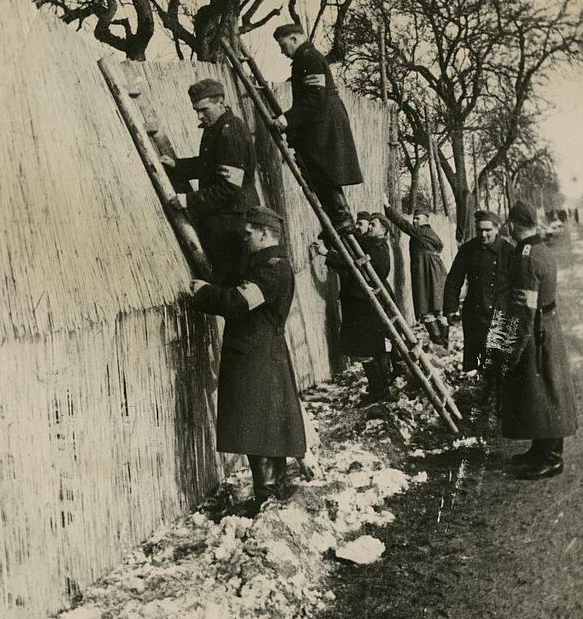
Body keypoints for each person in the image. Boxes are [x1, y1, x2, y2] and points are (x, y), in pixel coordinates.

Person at [189, 204, 306, 512]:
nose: (245, 238)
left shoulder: (270, 269)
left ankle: (266, 495)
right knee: (266, 420)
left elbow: (239, 302)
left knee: (257, 424)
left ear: (265, 233)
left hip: (255, 354)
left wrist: (203, 293)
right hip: (261, 351)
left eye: (249, 233)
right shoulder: (268, 265)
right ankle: (272, 489)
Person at [490, 201, 577, 479]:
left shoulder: (527, 257)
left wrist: (513, 346)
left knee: (544, 393)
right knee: (539, 393)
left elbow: (524, 307)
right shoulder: (540, 249)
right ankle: (540, 450)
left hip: (536, 332)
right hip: (545, 327)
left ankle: (551, 458)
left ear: (514, 225)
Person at [162, 78, 257, 285]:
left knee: (232, 286)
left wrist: (189, 200)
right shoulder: (216, 127)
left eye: (204, 109)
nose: (199, 115)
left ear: (220, 103)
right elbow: (209, 166)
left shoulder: (230, 133)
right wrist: (177, 166)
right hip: (224, 222)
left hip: (233, 226)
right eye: (196, 110)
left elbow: (228, 188)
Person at [272, 23, 363, 234]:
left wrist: (287, 119)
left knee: (323, 170)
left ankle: (342, 217)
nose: (282, 51)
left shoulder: (309, 58)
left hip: (323, 123)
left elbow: (315, 96)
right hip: (318, 122)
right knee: (317, 170)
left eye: (283, 45)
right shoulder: (303, 59)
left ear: (295, 39)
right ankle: (337, 218)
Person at [321, 211, 393, 405]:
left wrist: (327, 255)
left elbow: (354, 266)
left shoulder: (379, 250)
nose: (369, 227)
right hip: (363, 301)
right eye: (369, 224)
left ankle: (379, 390)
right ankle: (381, 384)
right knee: (372, 346)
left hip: (364, 304)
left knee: (365, 348)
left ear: (384, 230)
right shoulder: (371, 244)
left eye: (374, 225)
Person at [442, 209, 513, 376]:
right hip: (475, 314)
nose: (483, 234)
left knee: (499, 362)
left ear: (497, 229)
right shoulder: (468, 249)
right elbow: (453, 280)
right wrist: (451, 308)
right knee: (476, 362)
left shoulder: (508, 251)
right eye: (479, 230)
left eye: (488, 230)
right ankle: (477, 395)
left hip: (500, 314)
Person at [385, 200, 448, 346]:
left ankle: (438, 340)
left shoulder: (421, 231)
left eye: (418, 218)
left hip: (425, 272)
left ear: (426, 220)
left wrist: (388, 207)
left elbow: (402, 224)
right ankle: (443, 340)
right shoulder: (431, 233)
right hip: (435, 271)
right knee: (437, 306)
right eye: (414, 218)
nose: (414, 221)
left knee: (426, 306)